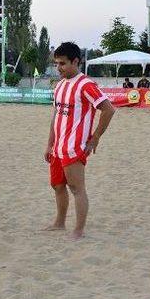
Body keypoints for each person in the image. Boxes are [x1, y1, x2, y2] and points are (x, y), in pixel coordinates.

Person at [44, 42, 116, 240]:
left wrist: (95, 138)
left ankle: (79, 230)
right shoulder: (59, 85)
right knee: (57, 186)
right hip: (58, 147)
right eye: (56, 63)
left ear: (76, 61)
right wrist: (49, 144)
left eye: (62, 64)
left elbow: (108, 109)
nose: (58, 68)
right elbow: (56, 116)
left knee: (76, 188)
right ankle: (59, 223)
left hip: (74, 147)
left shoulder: (86, 85)